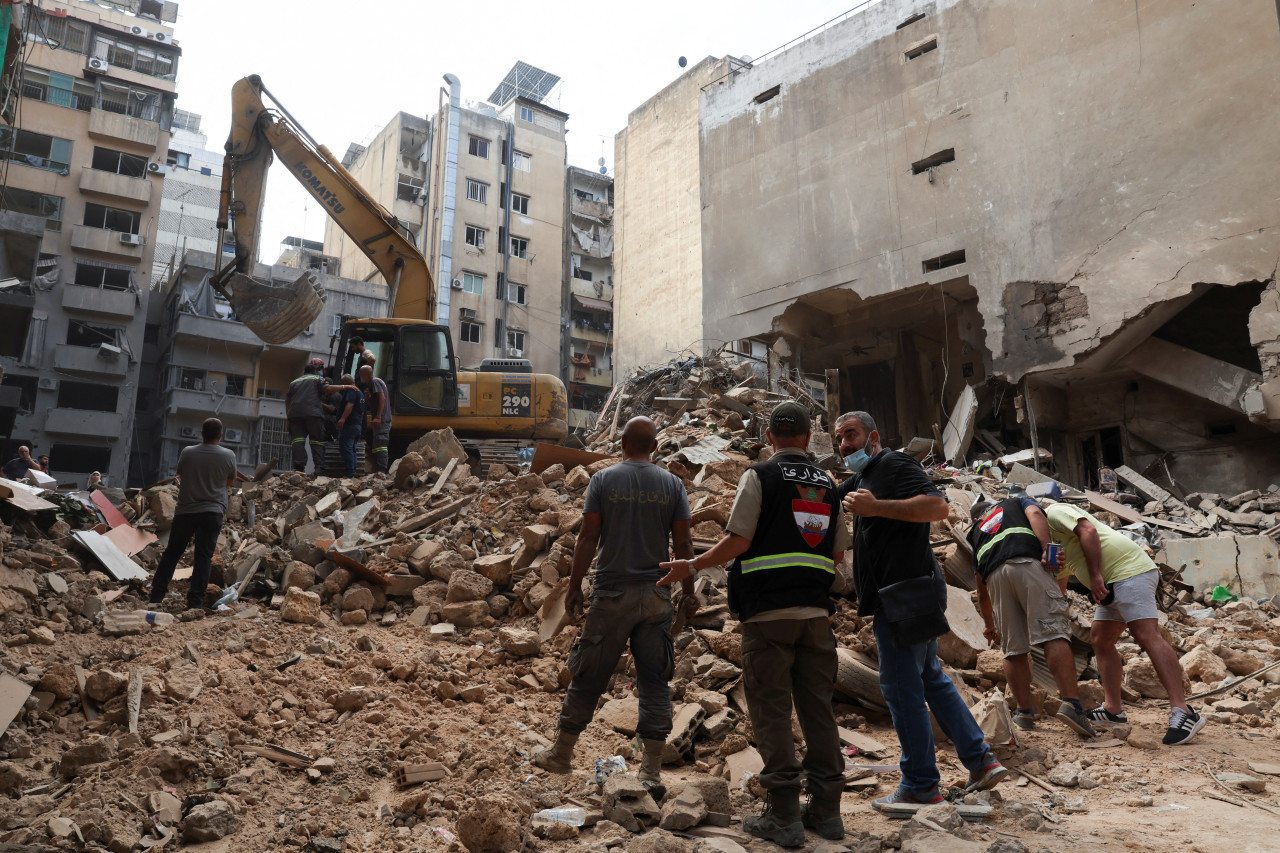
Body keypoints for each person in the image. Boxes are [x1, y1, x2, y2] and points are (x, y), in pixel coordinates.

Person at [660, 401, 849, 846]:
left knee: (771, 712)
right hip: (816, 616)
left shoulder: (760, 476)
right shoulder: (828, 483)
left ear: (769, 437)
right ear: (807, 438)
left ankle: (783, 814)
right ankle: (827, 813)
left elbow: (739, 539)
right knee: (818, 711)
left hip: (768, 616)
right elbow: (838, 556)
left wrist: (693, 564)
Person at [835, 410, 1007, 809]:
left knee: (899, 687)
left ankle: (919, 784)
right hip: (907, 592)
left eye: (852, 435)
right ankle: (981, 760)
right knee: (930, 677)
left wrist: (877, 508)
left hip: (904, 594)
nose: (844, 444)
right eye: (839, 438)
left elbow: (937, 507)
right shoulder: (863, 478)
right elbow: (829, 493)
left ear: (873, 436)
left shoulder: (892, 463)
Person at [533, 417, 696, 796]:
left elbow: (588, 536)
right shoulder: (672, 484)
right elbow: (685, 546)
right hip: (656, 596)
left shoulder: (604, 480)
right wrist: (688, 592)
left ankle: (561, 754)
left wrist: (574, 586)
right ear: (654, 447)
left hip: (612, 595)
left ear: (621, 444)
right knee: (655, 682)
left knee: (589, 674)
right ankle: (651, 772)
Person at [1046, 502, 1205, 745]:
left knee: (1146, 635)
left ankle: (1183, 711)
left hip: (1129, 571)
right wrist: (1056, 606)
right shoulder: (1051, 543)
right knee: (1100, 639)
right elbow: (1063, 575)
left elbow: (1088, 531)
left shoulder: (1054, 512)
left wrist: (1096, 575)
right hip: (1110, 585)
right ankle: (1113, 710)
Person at [968, 495, 1095, 736]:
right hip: (1027, 563)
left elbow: (980, 590)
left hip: (995, 579)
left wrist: (989, 625)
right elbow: (1036, 514)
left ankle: (1024, 714)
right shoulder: (1015, 501)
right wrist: (1047, 547)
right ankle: (1072, 704)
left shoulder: (976, 531)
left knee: (1013, 649)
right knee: (1053, 634)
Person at [149, 418, 248, 611]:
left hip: (186, 510)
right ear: (220, 435)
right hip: (212, 512)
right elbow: (230, 482)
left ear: (201, 434)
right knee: (203, 557)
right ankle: (195, 604)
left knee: (172, 554)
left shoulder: (188, 452)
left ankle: (156, 597)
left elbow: (183, 475)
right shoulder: (229, 455)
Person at [284, 358, 355, 473]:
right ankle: (319, 468)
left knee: (297, 441)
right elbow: (328, 389)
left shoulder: (294, 383)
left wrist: (288, 418)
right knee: (317, 441)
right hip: (313, 415)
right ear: (315, 371)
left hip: (295, 416)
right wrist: (345, 387)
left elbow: (287, 401)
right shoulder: (317, 379)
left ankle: (299, 468)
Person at [358, 363, 392, 474]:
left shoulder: (375, 382)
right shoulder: (373, 384)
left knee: (381, 445)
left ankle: (382, 470)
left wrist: (378, 417)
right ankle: (379, 469)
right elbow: (374, 403)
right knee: (377, 445)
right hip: (380, 419)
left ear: (364, 374)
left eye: (360, 374)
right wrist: (368, 397)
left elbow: (382, 398)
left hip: (382, 420)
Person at [334, 373, 366, 478]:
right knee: (352, 449)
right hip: (357, 425)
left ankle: (349, 473)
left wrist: (342, 419)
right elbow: (362, 412)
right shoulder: (360, 393)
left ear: (346, 383)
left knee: (346, 449)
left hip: (349, 425)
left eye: (343, 384)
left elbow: (350, 405)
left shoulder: (351, 391)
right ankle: (352, 471)